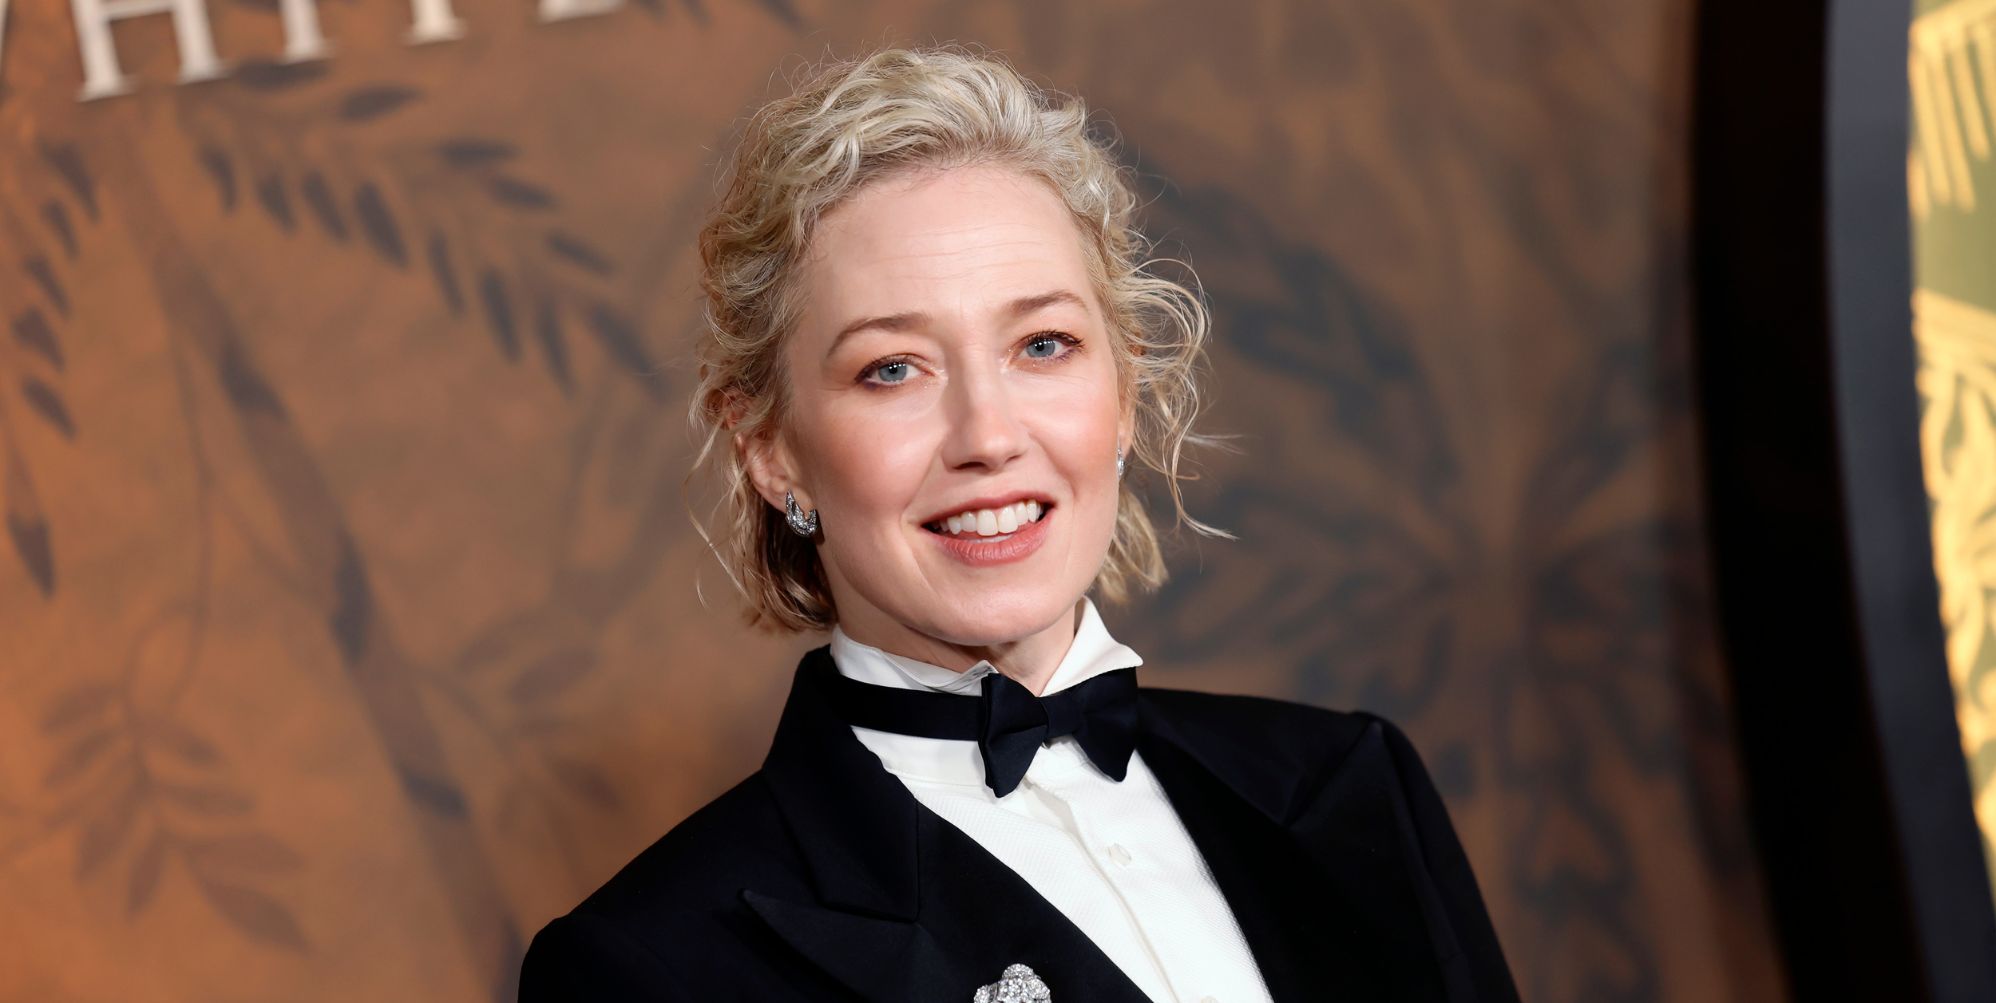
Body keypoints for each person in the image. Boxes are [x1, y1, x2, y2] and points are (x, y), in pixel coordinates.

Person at [520, 46, 1518, 1003]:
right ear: (771, 448)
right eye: (892, 368)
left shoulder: (1348, 783)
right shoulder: (651, 968)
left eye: (1043, 344)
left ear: (1123, 389)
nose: (988, 436)